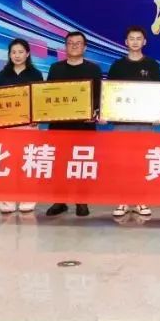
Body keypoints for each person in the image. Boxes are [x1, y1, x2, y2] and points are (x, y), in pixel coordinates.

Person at [106, 26, 160, 219]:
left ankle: (141, 200)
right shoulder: (117, 65)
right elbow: (109, 92)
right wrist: (106, 112)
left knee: (142, 162)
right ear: (126, 42)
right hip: (122, 122)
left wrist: (157, 114)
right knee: (122, 162)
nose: (135, 42)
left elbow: (158, 91)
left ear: (144, 42)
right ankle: (122, 201)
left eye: (139, 38)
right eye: (132, 38)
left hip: (144, 122)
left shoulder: (152, 65)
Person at [44, 31, 102, 218]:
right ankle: (59, 201)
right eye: (70, 43)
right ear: (65, 46)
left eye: (78, 43)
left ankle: (81, 201)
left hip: (85, 126)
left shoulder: (94, 69)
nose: (74, 46)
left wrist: (95, 112)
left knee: (82, 163)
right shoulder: (55, 68)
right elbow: (47, 94)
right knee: (59, 164)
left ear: (85, 47)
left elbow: (99, 96)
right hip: (59, 126)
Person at [0, 38, 43, 214]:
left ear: (27, 54)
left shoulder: (36, 74)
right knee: (6, 163)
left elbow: (40, 99)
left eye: (21, 52)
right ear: (9, 55)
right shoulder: (2, 75)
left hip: (29, 127)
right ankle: (6, 201)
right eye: (13, 52)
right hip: (7, 127)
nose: (17, 55)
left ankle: (27, 200)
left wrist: (36, 116)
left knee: (28, 163)